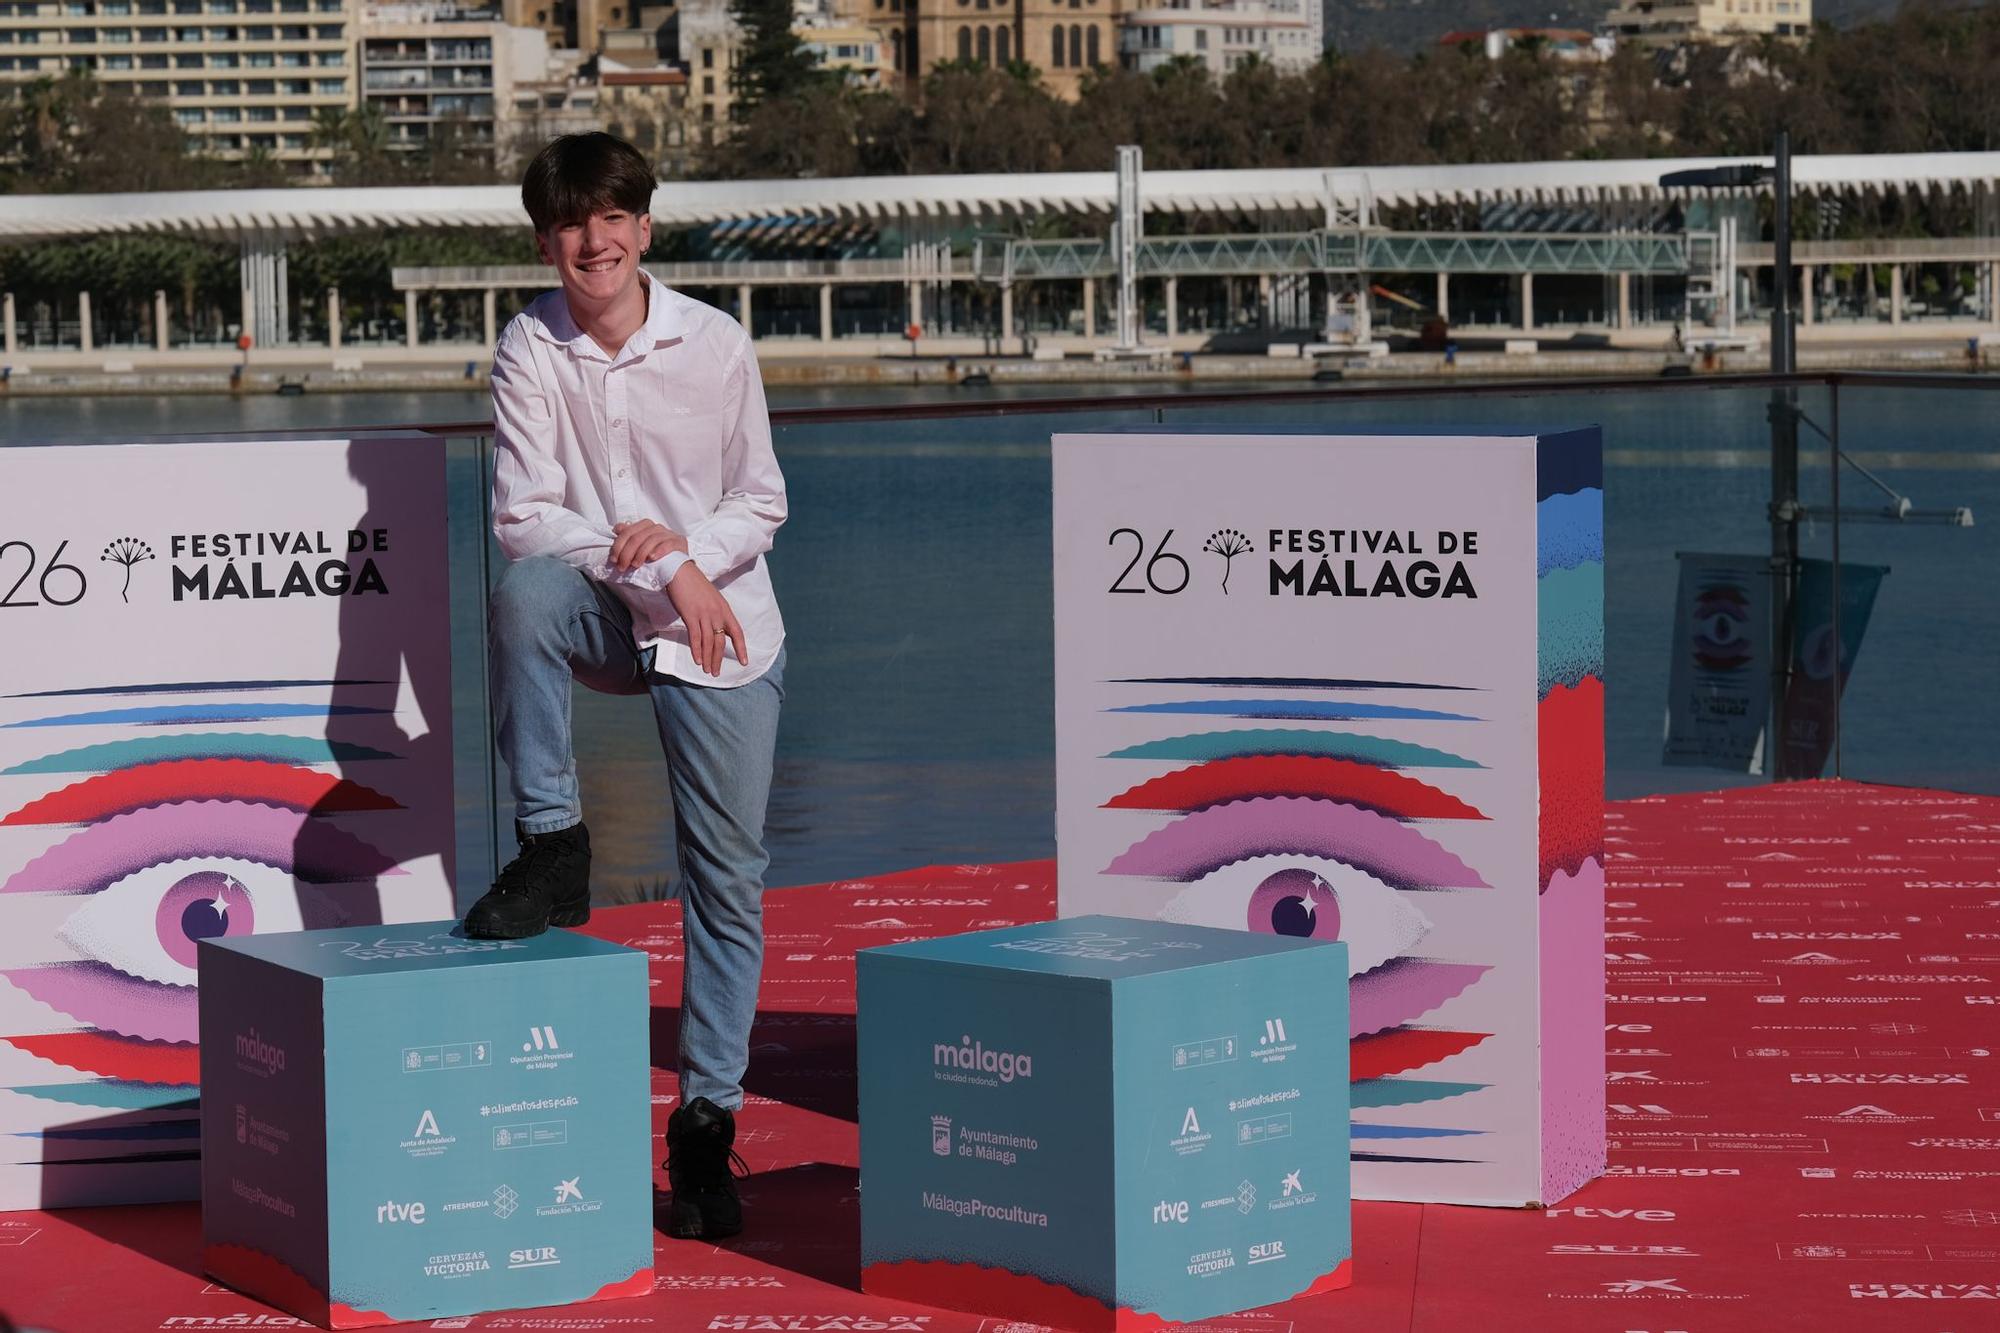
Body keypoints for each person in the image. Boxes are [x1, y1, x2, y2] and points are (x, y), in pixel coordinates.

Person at [460, 131, 787, 1243]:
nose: (591, 242)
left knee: (725, 875)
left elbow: (763, 499)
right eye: (568, 223)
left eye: (612, 219)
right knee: (526, 593)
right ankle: (553, 841)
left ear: (644, 228)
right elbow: (524, 516)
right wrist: (657, 560)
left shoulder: (716, 343)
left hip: (719, 626)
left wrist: (694, 554)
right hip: (623, 603)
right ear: (545, 239)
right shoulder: (527, 345)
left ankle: (705, 1119)